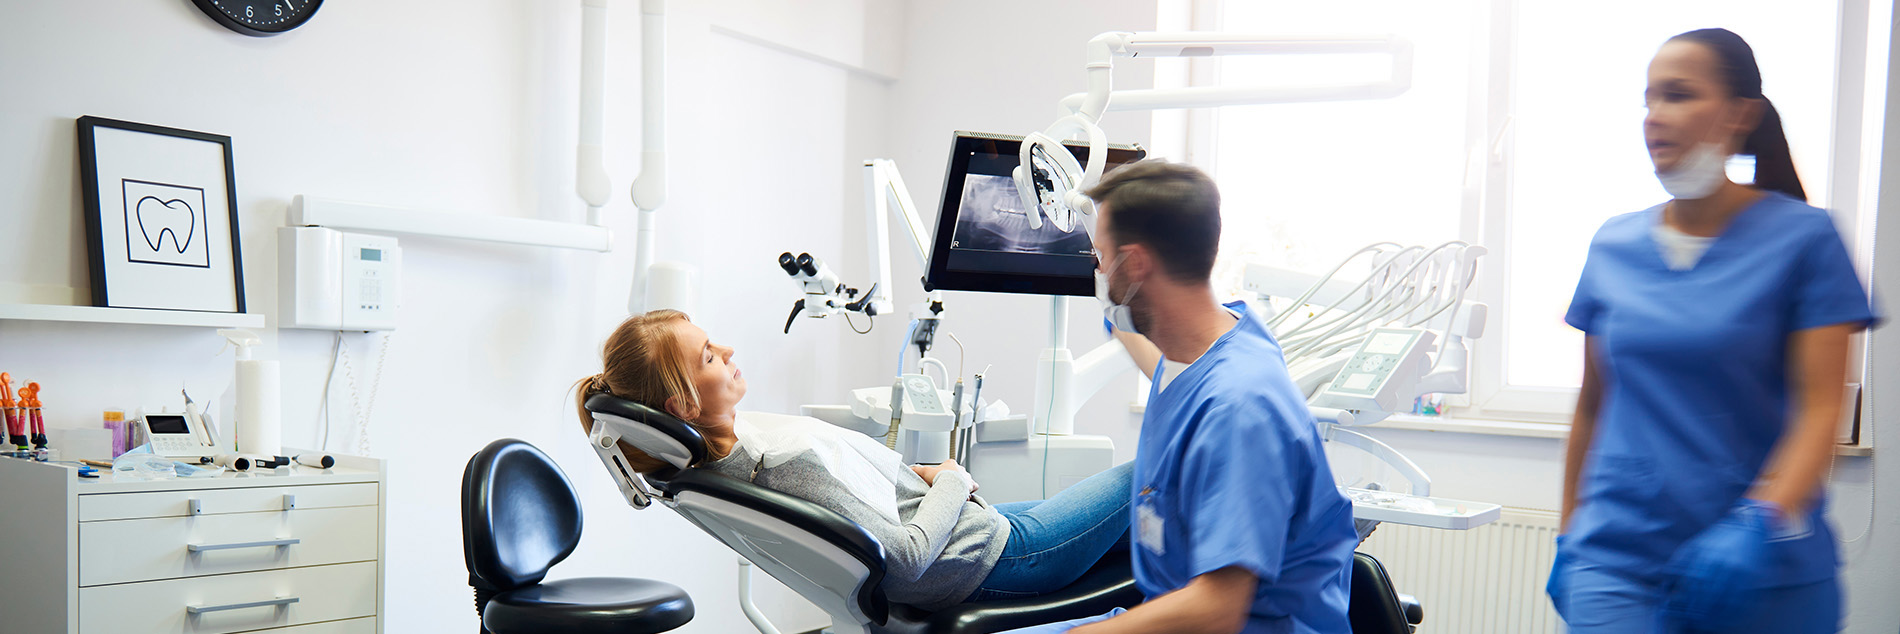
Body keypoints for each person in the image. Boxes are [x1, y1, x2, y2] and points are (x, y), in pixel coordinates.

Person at [1546, 28, 1878, 634]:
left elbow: (1821, 410)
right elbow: (1593, 408)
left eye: (1677, 95)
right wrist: (1569, 535)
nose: (1654, 118)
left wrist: (1759, 521)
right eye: (1648, 100)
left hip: (1766, 570)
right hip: (1617, 566)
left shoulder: (1805, 240)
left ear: (1739, 114)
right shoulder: (1613, 243)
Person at [1003, 160, 1360, 634]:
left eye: (1101, 258)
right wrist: (1113, 307)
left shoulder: (1239, 409)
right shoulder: (1218, 340)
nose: (1097, 269)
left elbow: (1217, 609)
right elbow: (1159, 360)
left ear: (1134, 265)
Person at [574, 309, 1134, 611]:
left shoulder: (723, 464)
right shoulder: (778, 465)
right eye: (709, 356)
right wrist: (950, 479)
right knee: (1151, 475)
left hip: (975, 538)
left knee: (1153, 531)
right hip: (991, 557)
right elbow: (908, 558)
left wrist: (918, 484)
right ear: (685, 404)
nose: (729, 352)